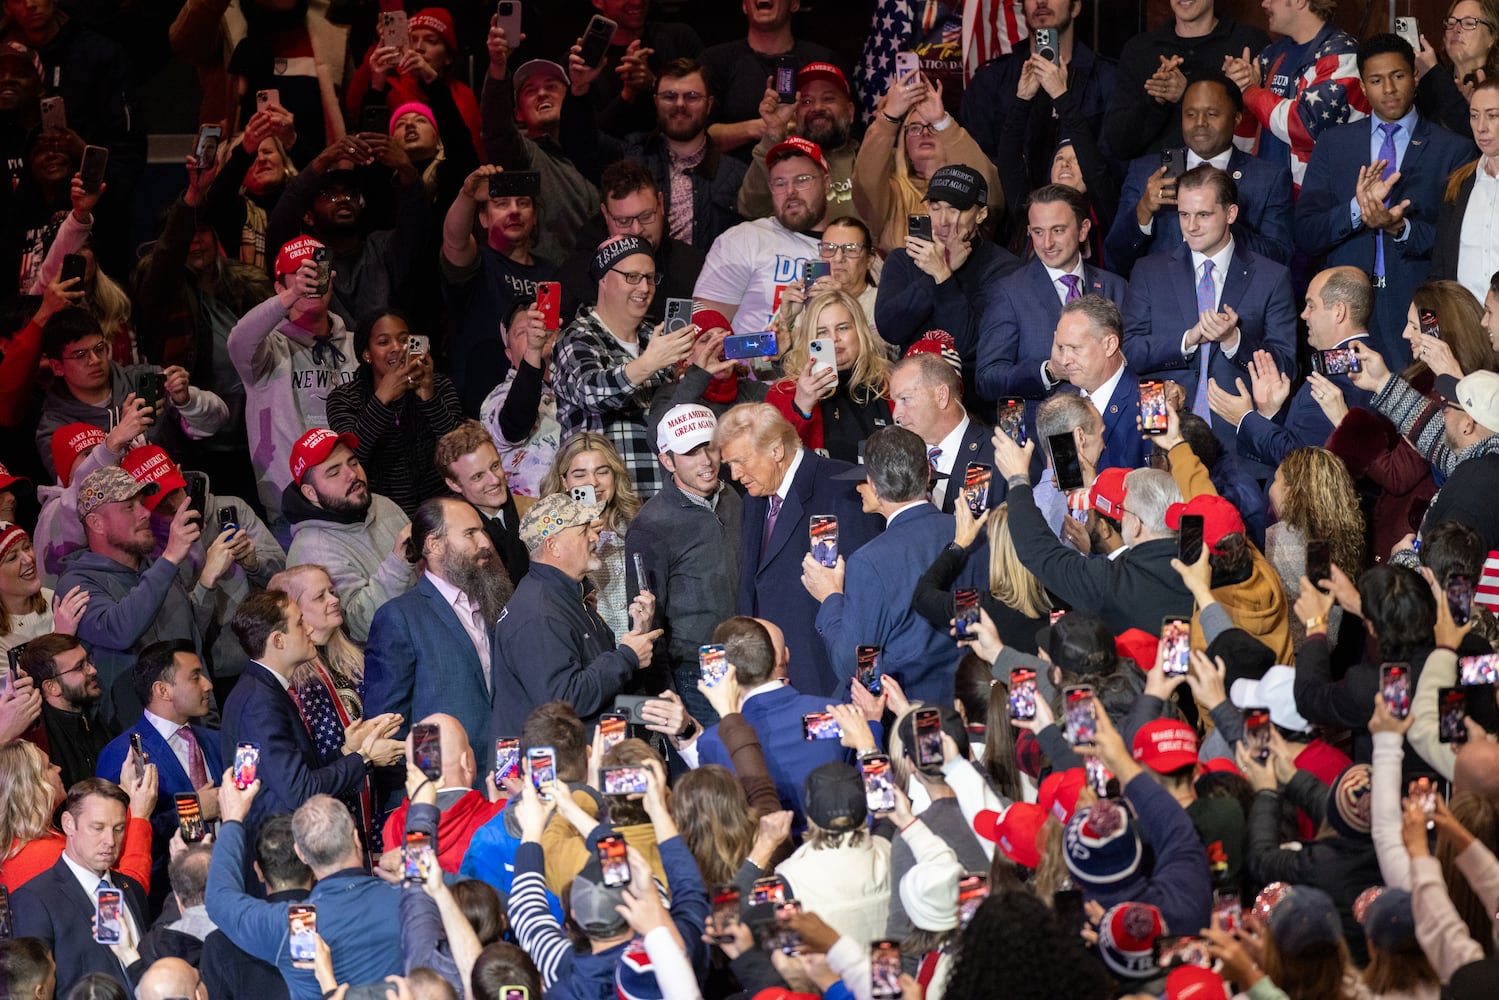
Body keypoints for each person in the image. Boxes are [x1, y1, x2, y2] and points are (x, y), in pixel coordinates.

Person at [1295, 33, 1475, 366]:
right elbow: (1306, 232)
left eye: (1398, 76)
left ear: (1415, 77)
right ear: (1362, 87)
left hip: (1420, 306)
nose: (1389, 89)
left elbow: (1456, 243)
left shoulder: (1454, 150)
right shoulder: (1334, 145)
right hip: (1343, 314)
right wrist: (1356, 211)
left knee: (1421, 403)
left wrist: (1400, 227)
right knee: (1342, 407)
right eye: (1377, 80)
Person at [1123, 165, 1297, 460]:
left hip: (1237, 443)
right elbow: (1129, 352)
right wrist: (1186, 340)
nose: (1191, 226)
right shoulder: (1148, 271)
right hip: (1161, 435)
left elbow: (1286, 367)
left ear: (1230, 214)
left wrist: (1234, 341)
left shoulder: (1272, 277)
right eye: (1183, 214)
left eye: (1203, 215)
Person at [716, 403, 880, 696]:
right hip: (766, 680)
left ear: (776, 450)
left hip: (825, 677)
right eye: (729, 464)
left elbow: (866, 596)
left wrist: (862, 683)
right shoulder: (754, 499)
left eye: (740, 461)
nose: (735, 474)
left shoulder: (843, 489)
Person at [803, 426, 973, 703]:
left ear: (873, 484)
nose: (857, 487)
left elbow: (852, 666)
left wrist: (830, 596)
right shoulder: (972, 533)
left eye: (862, 479)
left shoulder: (870, 561)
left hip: (907, 714)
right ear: (928, 474)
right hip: (971, 701)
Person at [55, 467, 238, 726]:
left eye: (142, 503)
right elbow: (119, 630)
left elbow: (188, 637)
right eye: (129, 507)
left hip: (195, 730)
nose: (144, 513)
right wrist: (170, 558)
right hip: (137, 747)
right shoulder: (77, 583)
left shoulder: (155, 569)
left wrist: (206, 584)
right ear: (96, 523)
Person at [219, 589, 403, 844]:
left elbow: (270, 776)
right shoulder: (259, 703)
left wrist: (347, 750)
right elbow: (299, 790)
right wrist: (365, 758)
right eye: (299, 623)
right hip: (281, 852)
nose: (308, 628)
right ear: (278, 641)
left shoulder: (257, 692)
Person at [487, 492, 662, 737]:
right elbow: (564, 702)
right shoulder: (538, 614)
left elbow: (601, 687)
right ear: (553, 546)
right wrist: (627, 656)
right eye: (583, 531)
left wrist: (638, 636)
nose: (595, 536)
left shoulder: (570, 596)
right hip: (558, 767)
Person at [206, 785, 403, 1000]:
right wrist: (416, 871)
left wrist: (233, 820)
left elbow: (218, 899)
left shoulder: (298, 925)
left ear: (302, 855)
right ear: (356, 838)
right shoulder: (406, 898)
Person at [365, 497, 512, 781]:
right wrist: (434, 782)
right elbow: (390, 724)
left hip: (503, 777)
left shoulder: (494, 600)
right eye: (470, 533)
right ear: (434, 545)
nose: (484, 542)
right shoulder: (399, 617)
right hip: (445, 790)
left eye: (482, 531)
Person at [997, 427, 1193, 635]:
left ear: (1136, 524)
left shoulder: (1111, 583)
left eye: (1124, 512)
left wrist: (1018, 481)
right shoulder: (1204, 565)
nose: (1121, 518)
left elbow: (1040, 551)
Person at [1106, 75, 1294, 276]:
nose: (1200, 123)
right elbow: (1115, 260)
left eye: (1212, 114)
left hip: (1235, 302)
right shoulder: (1146, 171)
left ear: (1236, 118)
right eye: (1190, 114)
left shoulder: (1269, 178)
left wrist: (1224, 224)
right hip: (1165, 301)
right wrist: (1143, 211)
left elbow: (1280, 259)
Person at [227, 240, 359, 525]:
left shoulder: (355, 346)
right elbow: (238, 339)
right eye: (298, 275)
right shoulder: (266, 350)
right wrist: (294, 295)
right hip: (294, 507)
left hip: (358, 494)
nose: (309, 281)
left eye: (315, 272)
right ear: (279, 288)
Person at [625, 405, 742, 723]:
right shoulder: (650, 525)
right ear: (667, 461)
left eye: (710, 447)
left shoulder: (734, 497)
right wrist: (665, 691)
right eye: (691, 452)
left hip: (750, 660)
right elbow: (646, 619)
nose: (706, 460)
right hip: (696, 673)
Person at [552, 236, 692, 500]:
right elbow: (591, 392)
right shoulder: (576, 337)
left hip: (661, 499)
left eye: (650, 278)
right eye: (632, 277)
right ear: (603, 279)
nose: (644, 287)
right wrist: (649, 363)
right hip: (603, 504)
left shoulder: (656, 338)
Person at [974, 185, 1127, 423]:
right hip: (1043, 437)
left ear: (1083, 229)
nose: (1047, 243)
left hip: (1114, 428)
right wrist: (1049, 371)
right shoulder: (1009, 292)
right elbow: (987, 379)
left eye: (1058, 230)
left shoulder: (1115, 287)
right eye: (1037, 232)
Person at [94, 642, 221, 911]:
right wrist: (193, 811)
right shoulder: (122, 754)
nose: (208, 685)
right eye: (195, 677)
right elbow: (120, 841)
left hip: (227, 886)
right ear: (162, 690)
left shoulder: (216, 742)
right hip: (166, 903)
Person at [571, 57, 747, 252]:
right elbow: (581, 144)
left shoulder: (736, 175)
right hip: (640, 278)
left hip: (714, 280)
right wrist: (580, 89)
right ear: (656, 101)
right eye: (669, 96)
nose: (680, 104)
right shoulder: (632, 157)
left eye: (692, 96)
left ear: (709, 104)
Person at [34, 308, 229, 482]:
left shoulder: (144, 380)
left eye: (99, 349)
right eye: (80, 355)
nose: (94, 360)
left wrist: (187, 401)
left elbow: (215, 424)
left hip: (176, 499)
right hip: (115, 520)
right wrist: (118, 438)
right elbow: (75, 490)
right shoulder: (55, 426)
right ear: (57, 367)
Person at [262, 135, 429, 330]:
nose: (342, 199)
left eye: (350, 194)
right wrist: (322, 161)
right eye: (330, 195)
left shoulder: (383, 247)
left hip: (385, 353)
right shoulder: (310, 258)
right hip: (326, 357)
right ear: (308, 216)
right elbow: (280, 224)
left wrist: (406, 169)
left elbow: (417, 220)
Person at [962, 0, 1115, 204]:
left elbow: (1111, 168)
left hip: (1090, 218)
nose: (1041, 2)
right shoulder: (991, 80)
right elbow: (977, 163)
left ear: (1076, 7)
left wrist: (1061, 95)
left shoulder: (1108, 78)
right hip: (1013, 219)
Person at [874, 164, 1020, 376]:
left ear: (981, 215)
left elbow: (968, 345)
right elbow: (890, 330)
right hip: (913, 390)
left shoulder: (1002, 268)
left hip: (973, 396)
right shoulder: (902, 259)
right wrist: (937, 272)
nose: (942, 222)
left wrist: (943, 276)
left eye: (955, 210)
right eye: (935, 208)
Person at [12, 779, 149, 1000]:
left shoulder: (131, 888)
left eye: (119, 829)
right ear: (68, 824)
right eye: (97, 828)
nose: (110, 841)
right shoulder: (34, 899)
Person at [1230, 266, 1376, 470]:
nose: (1304, 314)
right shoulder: (1361, 359)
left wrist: (1246, 419)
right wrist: (1272, 413)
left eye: (1311, 306)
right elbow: (1308, 436)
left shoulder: (1342, 374)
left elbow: (1303, 460)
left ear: (1338, 312)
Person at [440, 166, 555, 414]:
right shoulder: (479, 262)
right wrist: (467, 195)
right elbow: (454, 240)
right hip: (480, 405)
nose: (514, 210)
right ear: (482, 218)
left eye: (523, 203)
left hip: (545, 409)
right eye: (501, 204)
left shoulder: (552, 272)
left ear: (534, 216)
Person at [281, 428, 414, 644]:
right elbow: (358, 627)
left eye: (353, 462)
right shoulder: (311, 550)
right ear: (310, 493)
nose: (352, 474)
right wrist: (398, 562)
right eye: (334, 472)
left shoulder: (383, 504)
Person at [326, 308, 463, 518]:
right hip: (382, 516)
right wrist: (381, 399)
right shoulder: (344, 399)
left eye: (404, 340)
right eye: (383, 342)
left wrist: (429, 397)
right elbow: (353, 459)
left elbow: (460, 453)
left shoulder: (439, 386)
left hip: (443, 509)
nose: (397, 348)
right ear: (367, 354)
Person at [854, 67, 1002, 255]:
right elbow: (866, 183)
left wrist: (942, 121)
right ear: (904, 144)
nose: (924, 133)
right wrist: (889, 117)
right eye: (915, 128)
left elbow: (988, 188)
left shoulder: (968, 188)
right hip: (902, 283)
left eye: (932, 126)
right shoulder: (891, 194)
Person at [1222, 0, 1367, 192]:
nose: (1264, 4)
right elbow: (1246, 139)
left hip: (1316, 203)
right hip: (1265, 197)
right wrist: (1236, 89)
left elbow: (1306, 126)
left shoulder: (1341, 54)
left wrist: (1249, 91)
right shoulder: (1271, 54)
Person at [692, 137, 827, 338]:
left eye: (802, 180)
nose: (790, 191)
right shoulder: (744, 239)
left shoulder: (850, 248)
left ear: (827, 182)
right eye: (780, 183)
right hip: (753, 367)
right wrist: (765, 353)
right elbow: (703, 327)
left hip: (831, 365)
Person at [479, 38, 599, 264]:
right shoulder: (524, 156)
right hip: (549, 287)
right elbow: (496, 129)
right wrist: (497, 67)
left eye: (551, 86)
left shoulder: (599, 150)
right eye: (530, 91)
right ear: (519, 114)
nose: (542, 93)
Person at [1104, 0, 1270, 162]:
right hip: (1160, 178)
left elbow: (1268, 134)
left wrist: (1187, 91)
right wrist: (1157, 100)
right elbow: (1118, 145)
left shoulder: (1249, 41)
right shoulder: (1140, 49)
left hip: (1229, 178)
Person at [552, 159, 706, 329]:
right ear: (606, 214)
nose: (636, 229)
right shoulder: (576, 274)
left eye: (646, 216)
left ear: (661, 204)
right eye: (623, 220)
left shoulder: (692, 266)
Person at [699, 0, 843, 156]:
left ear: (794, 4)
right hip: (737, 175)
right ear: (744, 6)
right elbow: (699, 136)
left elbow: (846, 130)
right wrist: (762, 128)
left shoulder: (823, 59)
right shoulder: (715, 60)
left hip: (811, 172)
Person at [768, 289, 892, 463]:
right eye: (822, 332)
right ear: (809, 338)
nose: (834, 338)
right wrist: (801, 408)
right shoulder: (784, 391)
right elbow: (775, 462)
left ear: (860, 331)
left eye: (842, 328)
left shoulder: (888, 385)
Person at [538, 434, 642, 640]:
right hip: (594, 651)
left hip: (642, 644)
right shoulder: (550, 536)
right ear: (564, 481)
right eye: (580, 475)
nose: (593, 482)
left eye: (602, 472)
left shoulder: (638, 523)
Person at [198, 816, 310, 1000]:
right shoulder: (340, 923)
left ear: (258, 871)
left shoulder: (220, 943)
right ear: (312, 864)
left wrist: (232, 820)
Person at [738, 61, 860, 223]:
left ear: (850, 111)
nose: (817, 107)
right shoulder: (782, 161)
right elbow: (750, 209)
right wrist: (774, 131)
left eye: (828, 98)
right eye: (806, 101)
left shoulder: (872, 160)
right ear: (795, 114)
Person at [379, 714, 504, 872]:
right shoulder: (498, 816)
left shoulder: (395, 823)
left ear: (412, 771)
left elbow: (415, 876)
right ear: (466, 762)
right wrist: (506, 807)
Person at [887, 353, 997, 515]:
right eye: (895, 402)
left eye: (905, 399)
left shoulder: (997, 454)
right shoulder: (896, 459)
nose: (896, 415)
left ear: (941, 396)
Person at [477, 298, 561, 504]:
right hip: (535, 515)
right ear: (509, 353)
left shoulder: (580, 386)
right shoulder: (499, 396)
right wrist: (534, 352)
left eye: (543, 326)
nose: (538, 334)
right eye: (523, 332)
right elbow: (514, 425)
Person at [17, 634, 118, 793]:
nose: (92, 670)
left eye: (88, 661)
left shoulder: (90, 714)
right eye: (79, 667)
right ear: (51, 687)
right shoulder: (40, 743)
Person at [434, 421, 528, 581]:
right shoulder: (461, 545)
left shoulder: (526, 507)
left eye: (495, 466)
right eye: (478, 476)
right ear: (454, 484)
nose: (494, 480)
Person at [1431, 79, 1499, 302]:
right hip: (1464, 329)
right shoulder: (1459, 184)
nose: (1481, 127)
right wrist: (1432, 326)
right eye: (1474, 115)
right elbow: (1439, 270)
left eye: (1492, 115)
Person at [1416, 0, 1499, 138]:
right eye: (1451, 23)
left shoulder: (1495, 86)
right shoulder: (1428, 82)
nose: (1456, 29)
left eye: (1469, 23)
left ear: (1492, 37)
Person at [0, 522, 84, 654]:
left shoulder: (54, 599)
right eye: (12, 558)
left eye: (27, 547)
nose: (28, 560)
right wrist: (61, 637)